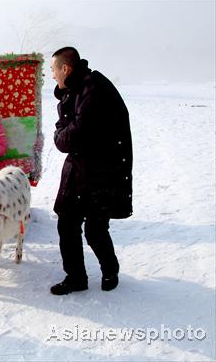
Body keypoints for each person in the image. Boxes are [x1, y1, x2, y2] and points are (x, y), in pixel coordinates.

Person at [49, 46, 133, 295]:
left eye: (53, 69)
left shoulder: (94, 88)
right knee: (67, 223)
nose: (51, 75)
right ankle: (75, 277)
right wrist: (63, 134)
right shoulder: (74, 90)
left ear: (65, 68)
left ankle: (110, 270)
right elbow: (63, 128)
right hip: (79, 169)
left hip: (102, 173)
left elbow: (75, 133)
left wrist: (62, 136)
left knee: (95, 229)